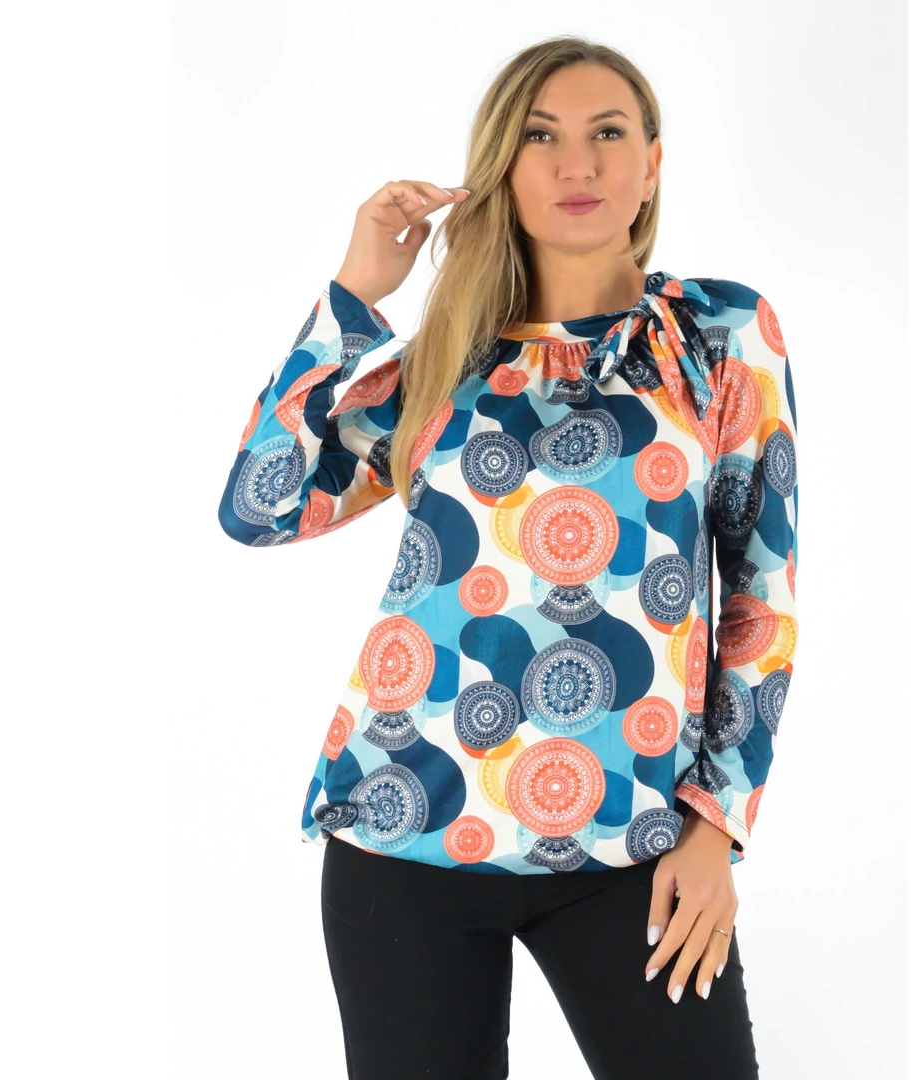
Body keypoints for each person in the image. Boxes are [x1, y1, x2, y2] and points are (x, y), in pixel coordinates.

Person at [217, 35, 798, 1080]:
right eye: (541, 137)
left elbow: (763, 592)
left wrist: (718, 826)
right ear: (502, 168)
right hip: (403, 824)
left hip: (635, 846)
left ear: (652, 164)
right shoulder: (447, 358)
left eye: (607, 133)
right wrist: (355, 294)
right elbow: (259, 508)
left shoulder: (719, 334)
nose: (577, 164)